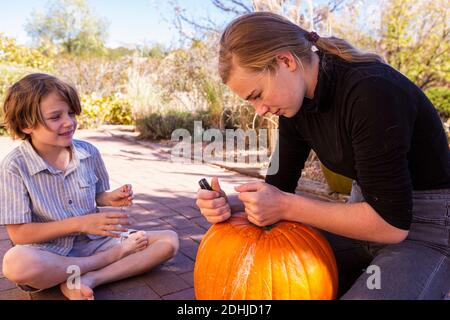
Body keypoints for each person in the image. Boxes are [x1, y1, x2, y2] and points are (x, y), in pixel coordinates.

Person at [196, 12, 450, 300]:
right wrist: (232, 206)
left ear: (286, 61)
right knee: (269, 281)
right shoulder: (296, 106)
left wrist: (285, 206)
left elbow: (391, 225)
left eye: (257, 94)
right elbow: (277, 189)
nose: (259, 110)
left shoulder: (371, 91)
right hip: (362, 222)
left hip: (426, 231)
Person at [0, 73, 179, 300]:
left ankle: (89, 278)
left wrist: (109, 198)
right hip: (47, 251)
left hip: (94, 243)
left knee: (169, 240)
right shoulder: (14, 167)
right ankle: (104, 261)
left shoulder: (88, 152)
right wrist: (82, 224)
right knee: (16, 264)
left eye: (71, 113)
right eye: (56, 117)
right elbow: (20, 234)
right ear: (26, 125)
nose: (69, 122)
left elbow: (97, 196)